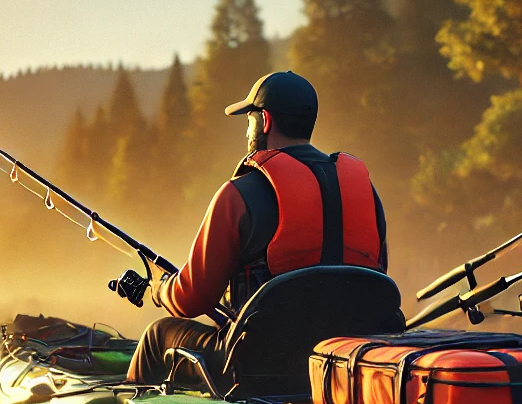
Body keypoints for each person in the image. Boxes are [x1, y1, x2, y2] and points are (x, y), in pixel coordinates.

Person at [127, 70, 388, 385]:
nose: (247, 132)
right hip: (343, 365)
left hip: (260, 364)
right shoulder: (365, 193)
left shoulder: (238, 195)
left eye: (248, 120)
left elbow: (191, 299)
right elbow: (374, 278)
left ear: (265, 121)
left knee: (158, 336)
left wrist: (158, 288)